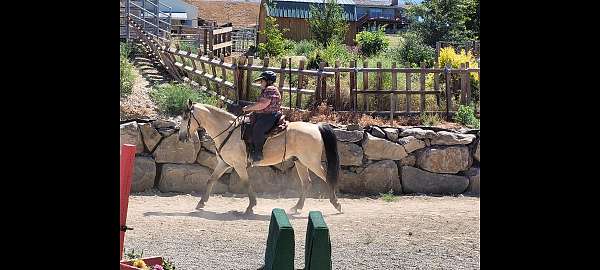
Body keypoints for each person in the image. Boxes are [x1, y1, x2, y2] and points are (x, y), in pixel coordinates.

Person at [242, 71, 282, 163]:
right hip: (264, 114)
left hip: (269, 116)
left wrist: (248, 108)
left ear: (268, 81)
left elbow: (263, 105)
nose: (260, 84)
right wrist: (252, 111)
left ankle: (258, 153)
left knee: (258, 129)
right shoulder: (268, 89)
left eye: (262, 81)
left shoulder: (270, 89)